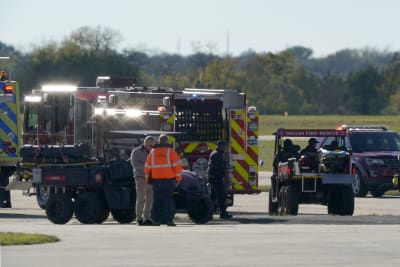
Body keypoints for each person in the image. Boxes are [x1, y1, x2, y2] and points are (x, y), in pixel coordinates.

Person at [144, 134, 182, 226]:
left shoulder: (152, 152)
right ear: (167, 142)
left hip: (156, 181)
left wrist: (147, 180)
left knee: (156, 201)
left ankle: (156, 220)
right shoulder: (171, 152)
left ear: (159, 142)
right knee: (168, 201)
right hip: (168, 180)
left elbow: (147, 167)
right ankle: (169, 220)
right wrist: (178, 179)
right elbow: (177, 166)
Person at [130, 136, 156, 226]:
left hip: (152, 179)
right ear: (145, 142)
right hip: (141, 178)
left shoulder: (154, 152)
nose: (151, 145)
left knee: (150, 200)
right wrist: (148, 167)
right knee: (141, 199)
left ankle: (147, 218)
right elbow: (135, 164)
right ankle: (139, 218)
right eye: (149, 143)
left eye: (152, 144)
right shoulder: (136, 152)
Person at [207, 140, 232, 219]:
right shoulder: (216, 154)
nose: (225, 148)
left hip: (214, 177)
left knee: (213, 196)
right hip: (215, 178)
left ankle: (209, 213)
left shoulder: (217, 154)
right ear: (220, 146)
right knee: (222, 195)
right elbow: (215, 167)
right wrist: (225, 169)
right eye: (224, 146)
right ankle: (223, 213)